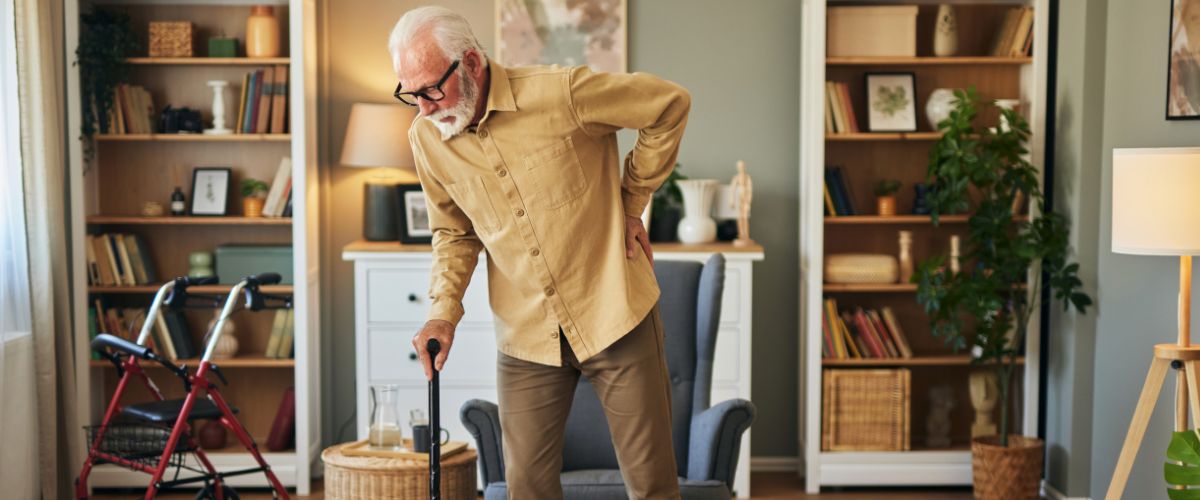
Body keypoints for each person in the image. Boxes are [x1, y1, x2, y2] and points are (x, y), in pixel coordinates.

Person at [388, 6, 690, 500]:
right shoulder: (427, 138)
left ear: (471, 62)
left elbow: (669, 105)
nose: (423, 108)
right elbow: (454, 234)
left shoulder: (561, 93)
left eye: (430, 90)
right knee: (525, 489)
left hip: (614, 313)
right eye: (409, 93)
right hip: (526, 336)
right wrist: (443, 313)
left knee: (651, 485)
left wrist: (632, 202)